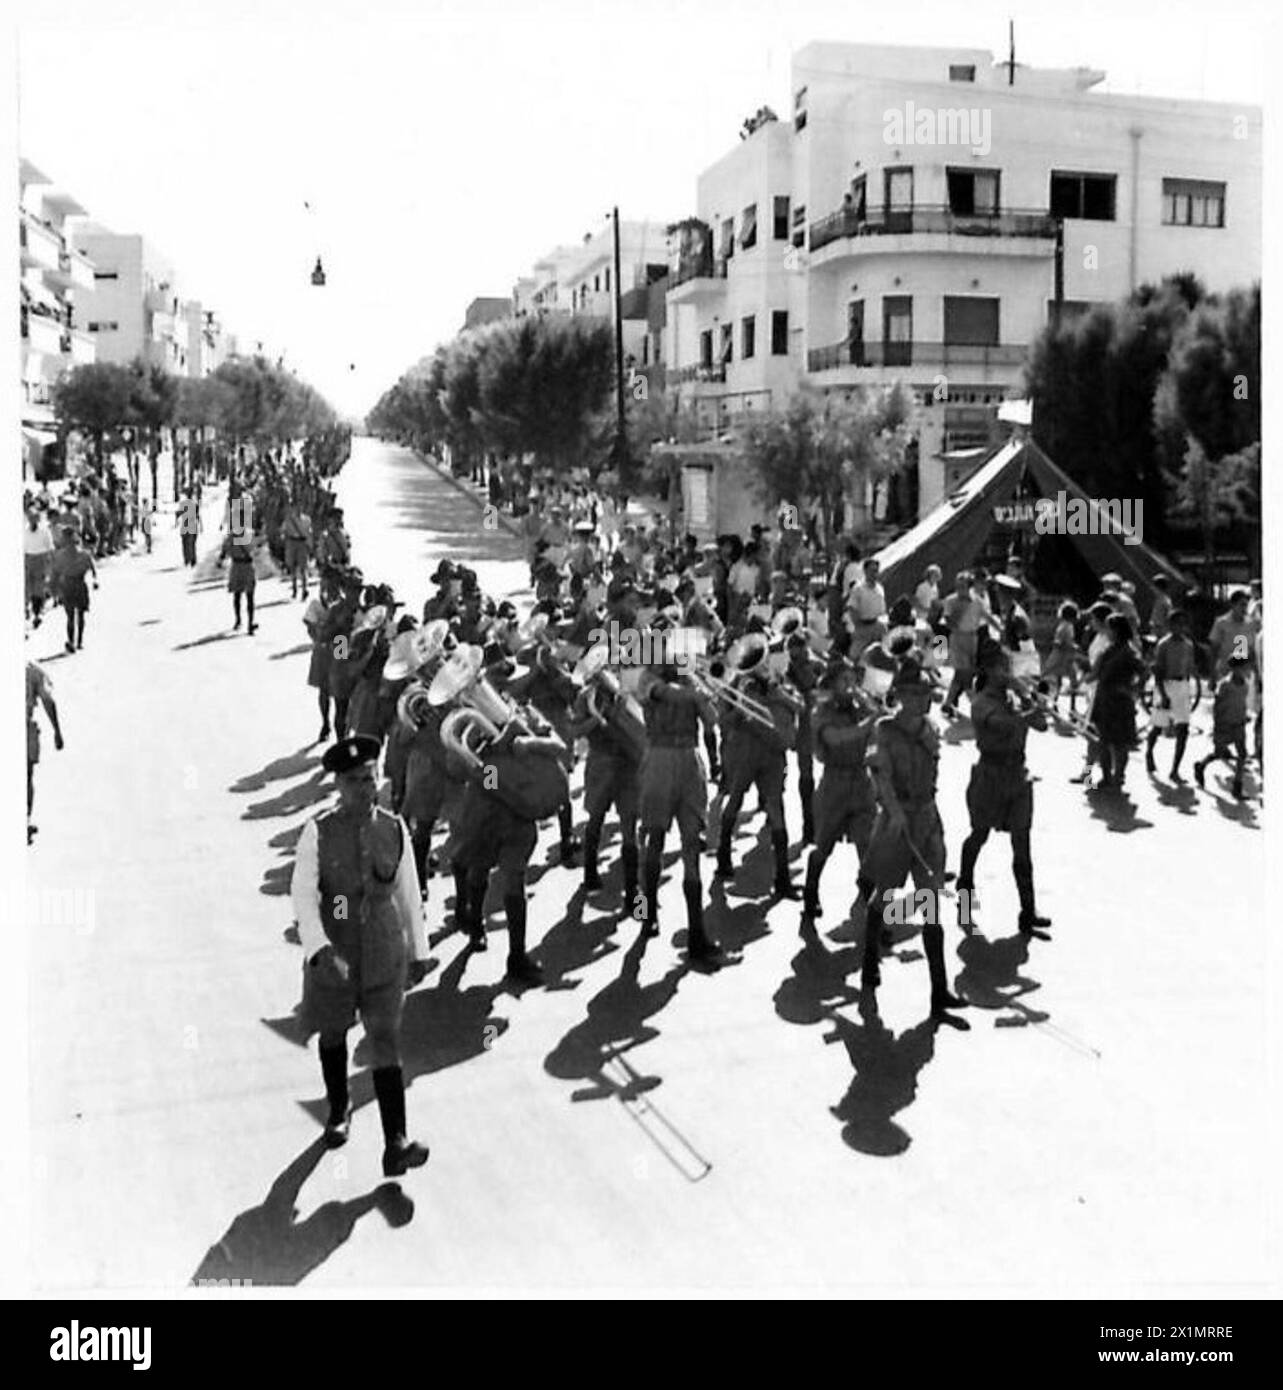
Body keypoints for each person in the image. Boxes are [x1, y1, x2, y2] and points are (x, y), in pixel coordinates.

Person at [291, 736, 431, 1174]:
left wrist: (418, 950)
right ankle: (337, 1109)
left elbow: (409, 889)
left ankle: (396, 1142)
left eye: (369, 778)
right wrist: (318, 947)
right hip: (336, 950)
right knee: (334, 1034)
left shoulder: (394, 826)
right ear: (338, 785)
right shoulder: (318, 831)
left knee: (386, 1039)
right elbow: (303, 895)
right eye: (354, 782)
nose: (364, 788)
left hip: (384, 948)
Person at [851, 659, 967, 1024]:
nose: (923, 700)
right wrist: (894, 809)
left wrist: (918, 814)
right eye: (914, 694)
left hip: (927, 821)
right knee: (883, 898)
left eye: (925, 694)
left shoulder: (931, 729)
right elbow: (878, 773)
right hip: (896, 823)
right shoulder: (884, 730)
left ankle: (939, 991)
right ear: (899, 696)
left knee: (931, 901)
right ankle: (869, 960)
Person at [955, 641, 1052, 936]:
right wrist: (1025, 703)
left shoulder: (1016, 697)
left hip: (1018, 776)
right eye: (1002, 668)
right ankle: (965, 885)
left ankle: (1028, 910)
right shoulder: (981, 701)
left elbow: (1042, 726)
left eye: (1009, 667)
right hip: (990, 775)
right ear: (988, 670)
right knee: (979, 836)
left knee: (1022, 845)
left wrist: (1034, 700)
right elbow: (1001, 725)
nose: (1008, 673)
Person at [636, 635, 720, 961]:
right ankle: (645, 913)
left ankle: (697, 932)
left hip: (689, 760)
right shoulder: (647, 679)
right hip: (658, 759)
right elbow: (664, 694)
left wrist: (703, 695)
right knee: (653, 842)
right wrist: (695, 693)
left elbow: (712, 721)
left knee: (691, 845)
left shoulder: (690, 682)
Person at [801, 660, 879, 923]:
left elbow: (879, 724)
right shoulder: (821, 711)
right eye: (844, 681)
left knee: (867, 844)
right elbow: (837, 738)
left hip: (861, 780)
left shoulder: (860, 707)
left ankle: (871, 904)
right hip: (834, 783)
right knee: (823, 846)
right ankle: (810, 891)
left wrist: (866, 701)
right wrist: (869, 722)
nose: (850, 685)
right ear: (832, 684)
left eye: (852, 680)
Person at [1088, 614, 1144, 790]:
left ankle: (1118, 776)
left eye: (1109, 628)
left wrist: (1134, 689)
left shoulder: (1129, 652)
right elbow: (1095, 673)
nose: (1107, 632)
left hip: (1119, 701)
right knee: (1104, 740)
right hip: (1105, 699)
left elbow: (1144, 672)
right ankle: (1106, 777)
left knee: (1120, 743)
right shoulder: (1108, 651)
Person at [1145, 609, 1197, 781]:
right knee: (1158, 725)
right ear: (1170, 625)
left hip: (1182, 685)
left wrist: (1190, 688)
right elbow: (1158, 671)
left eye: (1183, 624)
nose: (1180, 628)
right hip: (1166, 685)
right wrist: (1163, 694)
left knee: (1183, 728)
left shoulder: (1188, 644)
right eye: (1176, 624)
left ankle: (1175, 769)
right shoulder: (1164, 644)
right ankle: (1149, 752)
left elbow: (1189, 668)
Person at [1194, 657, 1251, 799]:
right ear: (1233, 669)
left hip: (1238, 723)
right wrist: (1218, 723)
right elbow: (1217, 705)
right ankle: (1201, 765)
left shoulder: (1245, 684)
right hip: (1225, 724)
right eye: (1240, 668)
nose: (1243, 671)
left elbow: (1243, 702)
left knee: (1242, 754)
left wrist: (1244, 716)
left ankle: (1237, 787)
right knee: (1219, 753)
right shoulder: (1225, 685)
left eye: (1244, 668)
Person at [26, 659, 64, 844]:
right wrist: (57, 730)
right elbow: (48, 700)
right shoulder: (32, 671)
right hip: (25, 729)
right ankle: (24, 820)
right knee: (26, 777)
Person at [940, 570, 983, 716]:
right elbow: (946, 619)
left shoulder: (977, 601)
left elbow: (986, 617)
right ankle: (976, 706)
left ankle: (947, 703)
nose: (960, 589)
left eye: (963, 586)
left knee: (962, 672)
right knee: (964, 671)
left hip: (972, 639)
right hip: (958, 638)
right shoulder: (951, 600)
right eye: (958, 586)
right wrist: (956, 623)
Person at [49, 526, 98, 654]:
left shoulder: (82, 554)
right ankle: (73, 641)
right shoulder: (62, 556)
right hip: (69, 585)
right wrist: (54, 591)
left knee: (78, 615)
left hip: (76, 584)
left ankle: (77, 641)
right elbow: (55, 574)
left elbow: (93, 568)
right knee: (72, 616)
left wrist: (95, 580)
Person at [845, 557, 887, 656]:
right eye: (872, 571)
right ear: (865, 571)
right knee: (857, 656)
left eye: (876, 571)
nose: (874, 574)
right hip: (863, 628)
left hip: (878, 627)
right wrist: (859, 626)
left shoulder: (880, 589)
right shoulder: (858, 589)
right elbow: (852, 608)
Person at [24, 505, 55, 627]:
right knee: (28, 588)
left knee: (38, 589)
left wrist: (50, 565)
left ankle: (37, 614)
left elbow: (50, 548)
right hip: (28, 560)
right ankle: (28, 609)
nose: (32, 521)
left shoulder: (44, 531)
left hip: (41, 560)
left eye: (34, 518)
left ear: (38, 519)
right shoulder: (24, 531)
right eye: (30, 518)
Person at [226, 530, 258, 633]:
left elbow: (226, 550)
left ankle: (239, 620)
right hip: (247, 566)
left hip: (236, 566)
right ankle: (249, 623)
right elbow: (253, 550)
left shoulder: (231, 536)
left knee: (238, 595)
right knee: (249, 596)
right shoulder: (249, 534)